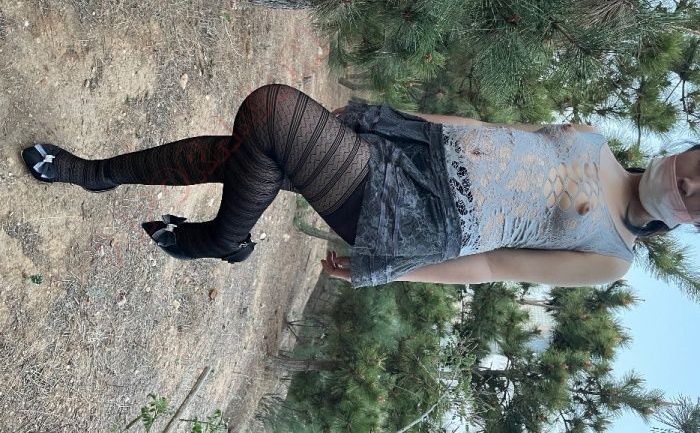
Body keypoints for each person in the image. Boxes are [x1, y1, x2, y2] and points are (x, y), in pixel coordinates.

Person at [21, 84, 700, 288]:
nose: (689, 181)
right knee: (252, 155)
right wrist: (395, 120)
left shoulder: (611, 255)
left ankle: (219, 239)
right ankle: (93, 173)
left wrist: (392, 269)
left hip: (418, 215)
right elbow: (486, 130)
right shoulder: (592, 138)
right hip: (413, 149)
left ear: (693, 222)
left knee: (272, 115)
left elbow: (495, 265)